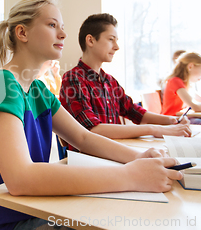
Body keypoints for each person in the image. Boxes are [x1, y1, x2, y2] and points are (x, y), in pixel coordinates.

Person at [0, 0, 183, 230]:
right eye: (52, 25)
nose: (63, 34)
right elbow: (20, 179)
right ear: (22, 33)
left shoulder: (38, 90)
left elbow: (83, 138)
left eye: (62, 27)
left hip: (25, 208)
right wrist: (130, 176)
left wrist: (138, 158)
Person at [59, 14, 191, 141]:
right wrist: (153, 129)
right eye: (111, 39)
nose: (116, 47)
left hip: (115, 151)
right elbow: (91, 129)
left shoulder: (109, 81)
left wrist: (172, 121)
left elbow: (134, 112)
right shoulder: (73, 78)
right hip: (90, 158)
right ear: (91, 40)